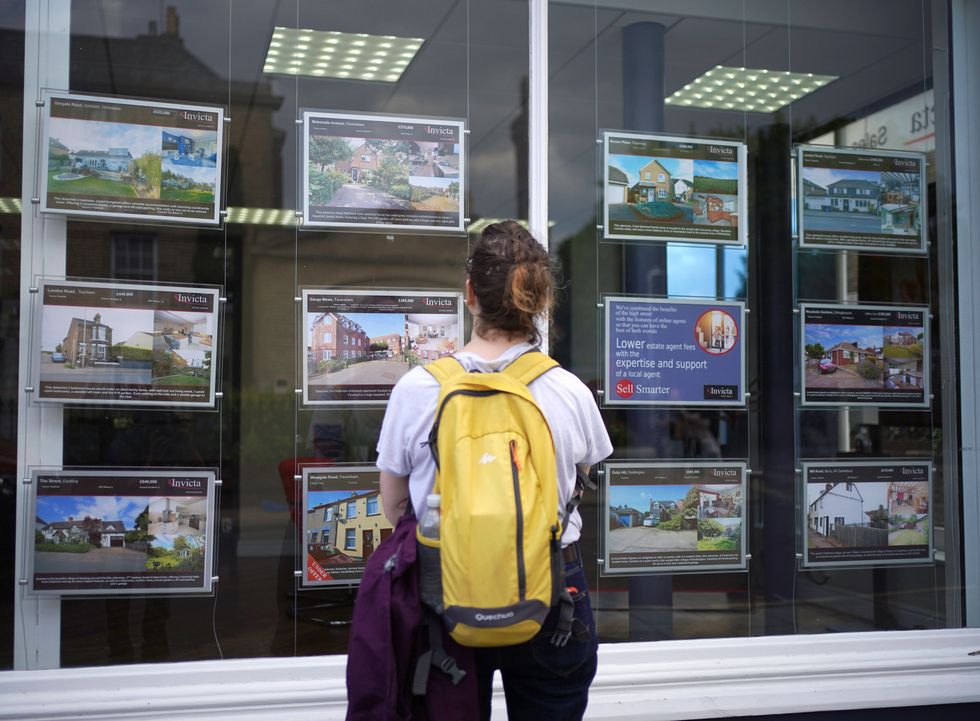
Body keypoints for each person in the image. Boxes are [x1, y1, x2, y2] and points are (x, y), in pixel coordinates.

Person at [376, 220, 613, 721]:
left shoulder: (418, 389)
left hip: (446, 581)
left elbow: (395, 506)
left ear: (470, 294)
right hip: (552, 582)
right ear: (541, 300)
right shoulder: (568, 390)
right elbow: (583, 473)